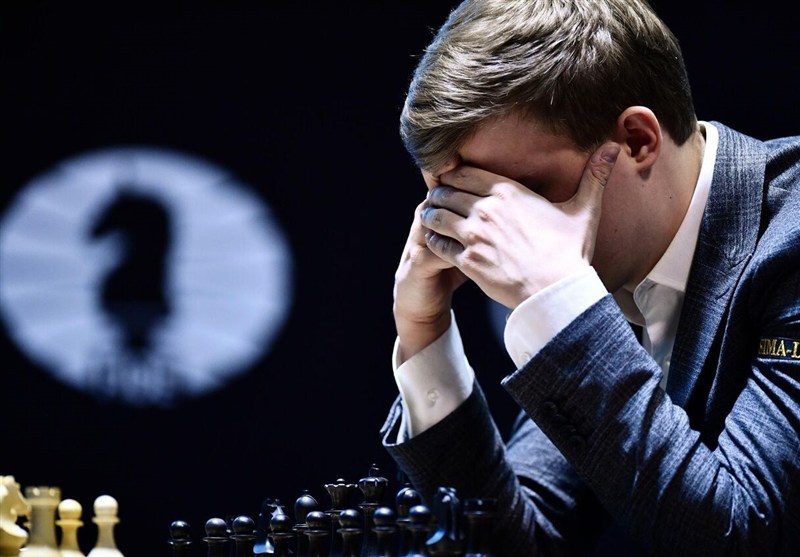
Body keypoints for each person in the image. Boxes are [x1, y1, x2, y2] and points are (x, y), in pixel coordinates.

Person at [379, 0, 800, 555]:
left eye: (524, 194)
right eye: (456, 199)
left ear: (637, 140)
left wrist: (563, 303)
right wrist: (423, 334)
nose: (489, 234)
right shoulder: (603, 267)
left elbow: (744, 535)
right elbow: (523, 544)